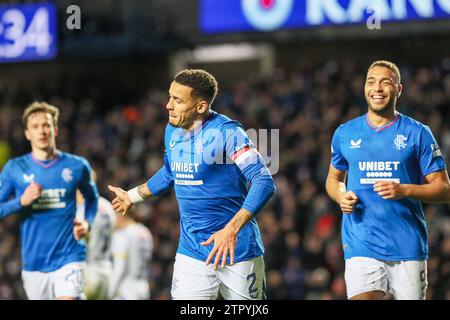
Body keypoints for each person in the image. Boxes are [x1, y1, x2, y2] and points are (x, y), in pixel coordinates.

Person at [108, 69, 276, 300]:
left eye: (177, 100)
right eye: (169, 97)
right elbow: (170, 172)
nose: (168, 105)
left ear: (200, 106)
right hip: (192, 252)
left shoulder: (228, 133)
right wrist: (133, 196)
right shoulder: (172, 130)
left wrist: (231, 229)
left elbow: (263, 180)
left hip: (237, 250)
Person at [325, 60, 450, 300]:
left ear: (398, 89)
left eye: (385, 82)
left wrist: (404, 189)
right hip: (361, 242)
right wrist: (341, 195)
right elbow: (333, 179)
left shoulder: (418, 133)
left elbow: (444, 190)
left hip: (407, 243)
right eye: (371, 82)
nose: (377, 88)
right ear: (364, 88)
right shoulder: (345, 133)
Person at [0, 101, 99, 300]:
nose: (42, 131)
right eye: (35, 127)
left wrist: (87, 223)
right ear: (27, 133)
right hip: (34, 263)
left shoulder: (77, 165)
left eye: (46, 125)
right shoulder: (14, 168)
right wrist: (21, 201)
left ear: (55, 129)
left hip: (70, 255)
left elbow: (92, 198)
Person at [76, 189, 116, 300]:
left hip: (88, 272)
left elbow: (79, 240)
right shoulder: (107, 206)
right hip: (106, 270)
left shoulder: (83, 209)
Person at [108, 210, 153, 300]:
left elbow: (120, 268)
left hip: (127, 290)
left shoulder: (122, 234)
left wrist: (110, 292)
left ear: (120, 215)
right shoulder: (145, 231)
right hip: (143, 288)